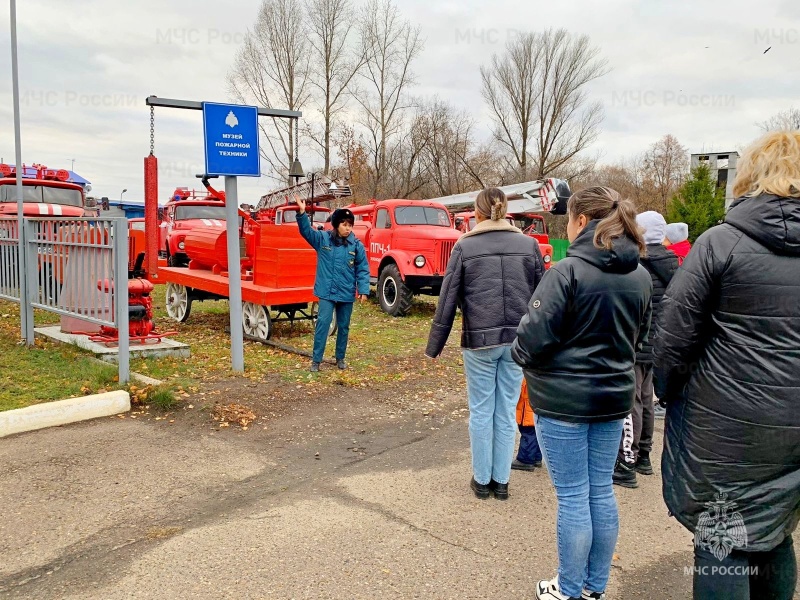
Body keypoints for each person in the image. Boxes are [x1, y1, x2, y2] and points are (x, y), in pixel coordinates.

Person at [654, 131, 800, 600]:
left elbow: (673, 339)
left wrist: (668, 390)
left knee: (723, 535)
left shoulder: (722, 243)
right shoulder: (723, 243)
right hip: (794, 428)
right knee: (776, 529)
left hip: (725, 428)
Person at [512, 186, 652, 600]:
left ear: (581, 222)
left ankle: (569, 589)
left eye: (570, 219)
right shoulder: (641, 276)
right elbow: (639, 337)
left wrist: (527, 359)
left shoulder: (566, 272)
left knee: (574, 496)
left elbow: (533, 337)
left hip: (562, 402)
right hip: (612, 398)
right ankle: (593, 587)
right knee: (600, 492)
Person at [426, 188, 545, 501]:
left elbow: (447, 297)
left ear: (476, 213)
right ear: (505, 211)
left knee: (481, 411)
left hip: (479, 340)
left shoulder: (465, 246)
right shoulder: (529, 244)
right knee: (505, 411)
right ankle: (501, 482)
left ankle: (482, 481)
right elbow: (542, 297)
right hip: (518, 341)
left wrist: (435, 345)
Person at [613, 211, 678, 489]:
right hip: (658, 342)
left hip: (637, 340)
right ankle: (645, 456)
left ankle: (628, 457)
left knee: (632, 401)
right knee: (647, 398)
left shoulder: (637, 264)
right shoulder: (673, 265)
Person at [296, 198, 370, 372]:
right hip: (327, 292)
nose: (347, 228)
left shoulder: (356, 246)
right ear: (336, 225)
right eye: (344, 224)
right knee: (323, 323)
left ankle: (340, 358)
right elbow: (307, 232)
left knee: (343, 326)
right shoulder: (323, 239)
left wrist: (364, 291)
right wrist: (301, 213)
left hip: (346, 293)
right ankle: (316, 360)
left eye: (350, 224)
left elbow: (363, 269)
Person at [513, 380, 543, 471]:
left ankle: (525, 460)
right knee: (536, 434)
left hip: (527, 408)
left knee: (528, 434)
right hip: (537, 408)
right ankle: (536, 457)